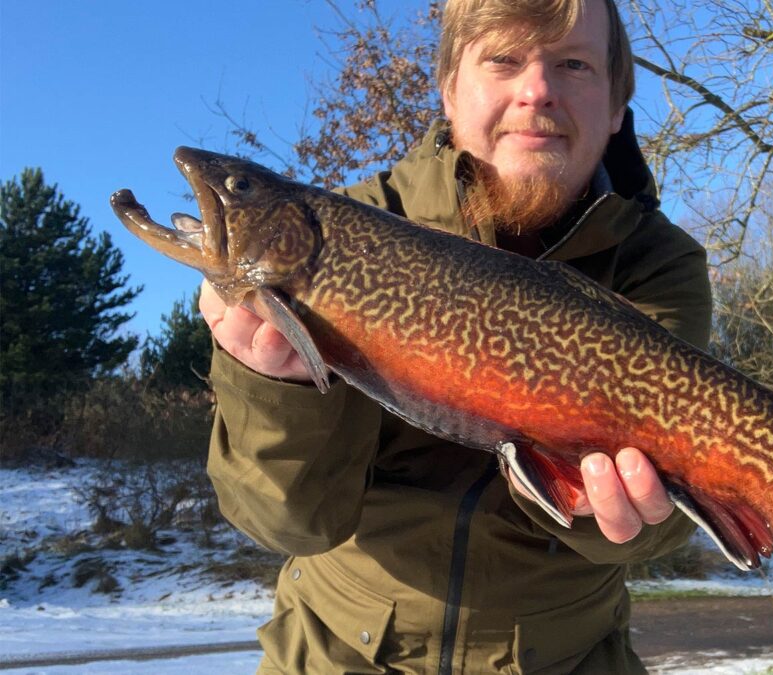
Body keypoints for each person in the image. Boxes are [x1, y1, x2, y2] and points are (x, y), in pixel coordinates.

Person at [200, 0, 713, 671]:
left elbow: (680, 498)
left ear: (617, 105)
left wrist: (619, 512)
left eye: (574, 64)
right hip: (334, 654)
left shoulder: (659, 266)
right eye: (503, 59)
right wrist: (274, 389)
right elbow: (289, 522)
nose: (537, 90)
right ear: (447, 90)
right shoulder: (351, 226)